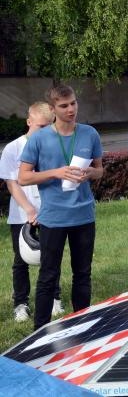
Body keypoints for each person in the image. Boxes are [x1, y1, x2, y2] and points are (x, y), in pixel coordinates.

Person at [18, 85, 104, 330]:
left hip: (84, 215)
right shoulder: (39, 138)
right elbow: (23, 177)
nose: (71, 109)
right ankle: (39, 332)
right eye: (64, 106)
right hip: (53, 218)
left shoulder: (89, 134)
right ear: (53, 109)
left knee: (83, 274)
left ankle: (82, 325)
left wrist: (90, 173)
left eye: (74, 104)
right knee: (48, 276)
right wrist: (56, 172)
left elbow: (100, 170)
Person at [0, 102, 64, 322]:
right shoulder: (13, 148)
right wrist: (28, 209)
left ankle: (55, 298)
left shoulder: (55, 145)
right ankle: (21, 303)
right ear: (29, 122)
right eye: (40, 126)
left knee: (51, 257)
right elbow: (12, 183)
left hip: (50, 210)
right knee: (21, 260)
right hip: (21, 214)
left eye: (49, 126)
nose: (45, 131)